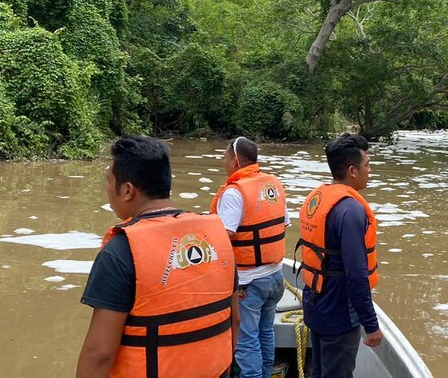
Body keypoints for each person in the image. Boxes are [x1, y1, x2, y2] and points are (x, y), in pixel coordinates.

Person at [77, 136, 239, 378]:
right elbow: (235, 322)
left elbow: (99, 355)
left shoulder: (120, 251)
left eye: (108, 181)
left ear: (127, 190)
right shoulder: (217, 236)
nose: (107, 189)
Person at [297, 133, 382, 378]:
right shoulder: (351, 210)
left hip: (316, 306)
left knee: (319, 371)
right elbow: (356, 275)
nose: (370, 170)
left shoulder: (319, 198)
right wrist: (371, 324)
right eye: (367, 165)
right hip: (339, 314)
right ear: (352, 171)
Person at [209, 137, 288, 378]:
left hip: (248, 281)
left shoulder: (235, 192)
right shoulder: (273, 184)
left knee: (246, 339)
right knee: (266, 332)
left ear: (235, 160)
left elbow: (225, 234)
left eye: (225, 157)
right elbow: (283, 223)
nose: (223, 162)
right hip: (275, 277)